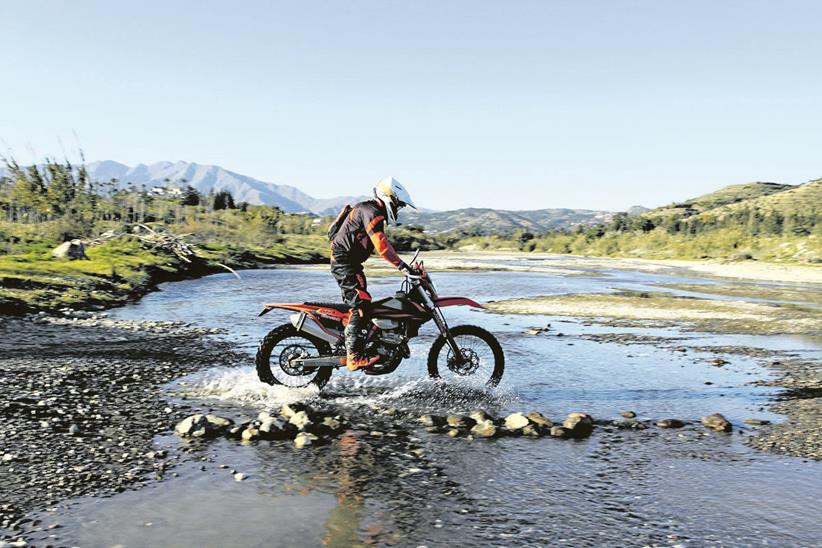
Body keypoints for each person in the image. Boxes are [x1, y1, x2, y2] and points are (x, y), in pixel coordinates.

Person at [329, 176, 417, 371]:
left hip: (350, 264)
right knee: (360, 304)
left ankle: (368, 342)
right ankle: (354, 356)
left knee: (364, 303)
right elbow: (382, 246)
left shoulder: (369, 210)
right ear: (389, 199)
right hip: (345, 264)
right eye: (398, 205)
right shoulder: (372, 212)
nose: (397, 209)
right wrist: (402, 266)